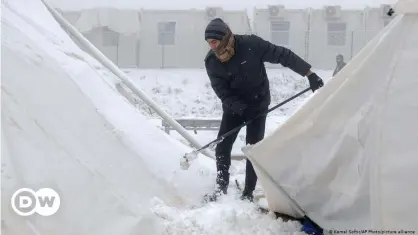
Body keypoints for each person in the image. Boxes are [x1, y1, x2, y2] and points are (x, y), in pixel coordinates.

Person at [203, 18, 324, 202]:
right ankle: (221, 188)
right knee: (223, 146)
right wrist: (237, 106)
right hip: (233, 107)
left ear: (225, 37)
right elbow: (221, 91)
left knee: (254, 149)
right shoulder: (212, 61)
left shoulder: (251, 45)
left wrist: (309, 74)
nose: (212, 46)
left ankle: (248, 192)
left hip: (257, 105)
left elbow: (283, 55)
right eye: (208, 42)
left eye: (214, 41)